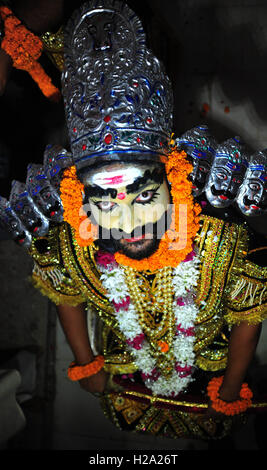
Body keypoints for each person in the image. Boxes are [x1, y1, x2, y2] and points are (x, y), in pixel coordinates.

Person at [0, 0, 266, 442]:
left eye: (144, 195)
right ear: (80, 199)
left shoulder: (221, 241)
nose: (128, 222)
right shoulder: (75, 243)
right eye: (105, 202)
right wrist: (87, 362)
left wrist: (233, 385)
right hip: (126, 371)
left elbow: (247, 315)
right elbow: (65, 293)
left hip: (208, 365)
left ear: (174, 180)